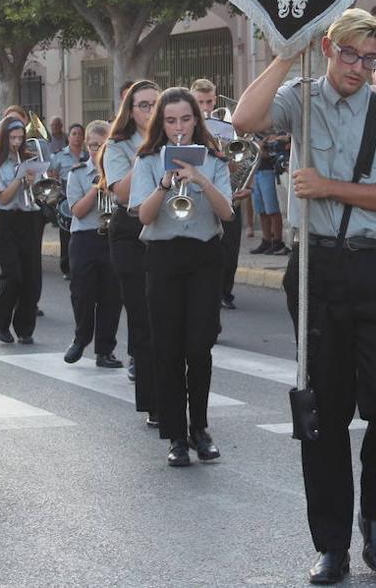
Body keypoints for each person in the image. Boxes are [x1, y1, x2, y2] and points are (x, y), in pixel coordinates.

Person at [233, 8, 376, 584]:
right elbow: (246, 117)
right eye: (351, 56)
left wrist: (328, 187)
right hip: (317, 267)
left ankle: (375, 513)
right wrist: (284, 55)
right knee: (323, 411)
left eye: (371, 60)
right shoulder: (301, 98)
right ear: (328, 47)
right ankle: (332, 544)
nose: (361, 68)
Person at [130, 87, 235, 466]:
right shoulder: (147, 161)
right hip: (163, 256)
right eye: (171, 120)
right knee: (168, 349)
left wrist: (201, 179)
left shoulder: (215, 159)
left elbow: (227, 214)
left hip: (204, 255)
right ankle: (176, 435)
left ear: (196, 121)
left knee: (199, 347)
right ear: (162, 122)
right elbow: (143, 215)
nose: (179, 127)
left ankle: (200, 428)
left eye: (186, 119)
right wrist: (165, 182)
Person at [102, 79, 162, 425]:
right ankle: (154, 403)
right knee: (144, 319)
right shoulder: (119, 145)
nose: (151, 111)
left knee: (170, 321)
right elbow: (123, 193)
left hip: (167, 231)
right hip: (130, 232)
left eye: (157, 104)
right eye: (144, 105)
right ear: (131, 110)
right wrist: (147, 154)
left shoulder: (174, 137)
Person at [63, 120, 122, 365]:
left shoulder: (120, 173)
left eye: (101, 145)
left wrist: (113, 182)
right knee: (83, 294)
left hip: (111, 237)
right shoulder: (77, 174)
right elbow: (77, 210)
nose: (95, 150)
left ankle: (104, 350)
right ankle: (81, 337)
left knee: (111, 296)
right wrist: (98, 187)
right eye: (92, 145)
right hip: (84, 238)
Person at [190, 79, 249, 310]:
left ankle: (225, 291)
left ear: (215, 99)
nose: (205, 106)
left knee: (230, 247)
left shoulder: (226, 126)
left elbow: (238, 165)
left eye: (209, 100)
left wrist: (224, 153)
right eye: (200, 101)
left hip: (226, 194)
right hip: (199, 196)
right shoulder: (188, 127)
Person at [0, 117, 46, 345]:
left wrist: (33, 181)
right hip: (7, 219)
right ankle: (0, 323)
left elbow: (41, 193)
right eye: (12, 137)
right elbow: (3, 197)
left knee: (32, 277)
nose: (17, 141)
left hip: (30, 217)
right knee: (12, 276)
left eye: (20, 137)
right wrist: (20, 178)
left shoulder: (31, 159)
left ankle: (25, 328)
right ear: (4, 138)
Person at [49, 123, 88, 279]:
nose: (77, 137)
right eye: (74, 134)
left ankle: (82, 265)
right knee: (65, 235)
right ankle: (67, 268)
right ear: (68, 136)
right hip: (65, 198)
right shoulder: (59, 156)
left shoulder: (88, 155)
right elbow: (52, 174)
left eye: (79, 134)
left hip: (84, 197)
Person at [249, 129, 290, 255]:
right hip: (257, 171)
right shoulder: (256, 133)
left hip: (269, 171)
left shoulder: (278, 132)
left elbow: (272, 153)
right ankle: (266, 240)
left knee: (272, 210)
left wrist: (262, 146)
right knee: (261, 210)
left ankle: (277, 241)